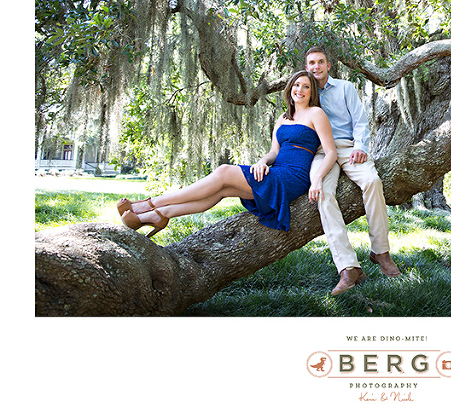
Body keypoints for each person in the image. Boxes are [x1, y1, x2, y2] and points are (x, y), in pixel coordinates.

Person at [117, 71, 337, 237]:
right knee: (221, 191)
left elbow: (330, 153)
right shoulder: (283, 118)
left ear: (312, 92)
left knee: (223, 172)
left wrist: (317, 179)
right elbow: (274, 152)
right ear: (290, 88)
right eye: (296, 85)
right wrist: (262, 162)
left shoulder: (315, 113)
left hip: (293, 178)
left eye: (306, 86)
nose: (300, 90)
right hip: (275, 171)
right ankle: (158, 215)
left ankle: (148, 204)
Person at [305, 46, 401, 296]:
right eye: (311, 63)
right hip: (321, 152)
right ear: (307, 67)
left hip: (348, 148)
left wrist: (360, 147)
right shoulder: (305, 91)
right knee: (323, 194)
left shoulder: (345, 88)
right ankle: (348, 267)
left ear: (328, 65)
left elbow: (360, 121)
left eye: (320, 62)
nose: (316, 67)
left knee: (372, 181)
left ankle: (381, 251)